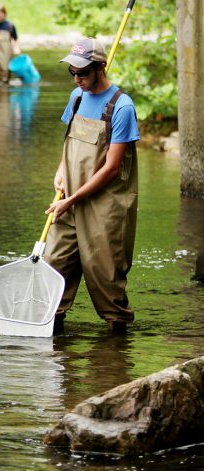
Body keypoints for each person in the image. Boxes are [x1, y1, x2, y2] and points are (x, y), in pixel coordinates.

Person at [44, 37, 139, 335]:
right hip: (68, 202)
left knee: (107, 280)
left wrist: (71, 200)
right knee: (52, 271)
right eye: (72, 73)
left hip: (104, 207)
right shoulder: (76, 98)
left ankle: (116, 357)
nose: (77, 79)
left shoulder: (122, 106)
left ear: (101, 67)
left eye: (83, 73)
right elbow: (68, 143)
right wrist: (61, 171)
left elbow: (111, 168)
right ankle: (52, 351)